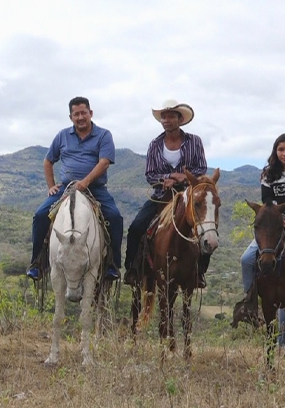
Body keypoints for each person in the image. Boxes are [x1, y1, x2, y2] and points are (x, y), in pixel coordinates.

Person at [27, 96, 123, 281]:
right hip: (66, 188)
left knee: (114, 217)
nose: (80, 117)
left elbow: (104, 163)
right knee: (40, 216)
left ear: (90, 113)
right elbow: (48, 161)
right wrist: (51, 186)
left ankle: (113, 264)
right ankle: (37, 263)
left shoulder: (104, 135)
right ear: (70, 117)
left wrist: (86, 182)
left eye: (83, 113)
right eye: (76, 114)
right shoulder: (62, 135)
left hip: (95, 188)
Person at [124, 100, 209, 287]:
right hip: (161, 196)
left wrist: (182, 178)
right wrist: (168, 177)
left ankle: (199, 272)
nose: (166, 120)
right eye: (164, 116)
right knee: (136, 227)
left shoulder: (194, 141)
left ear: (180, 119)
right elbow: (150, 174)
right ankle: (132, 269)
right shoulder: (155, 144)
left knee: (207, 230)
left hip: (188, 196)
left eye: (171, 116)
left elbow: (201, 169)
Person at [238, 133, 285, 346]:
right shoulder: (268, 175)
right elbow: (267, 203)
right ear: (275, 151)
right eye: (281, 149)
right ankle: (250, 302)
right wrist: (279, 221)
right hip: (274, 224)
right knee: (247, 259)